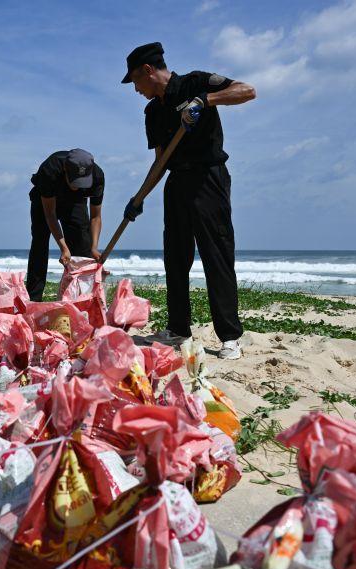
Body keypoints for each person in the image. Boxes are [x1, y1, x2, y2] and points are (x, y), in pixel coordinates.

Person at [121, 42, 255, 359]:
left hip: (209, 178)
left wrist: (205, 100)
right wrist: (139, 197)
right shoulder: (153, 112)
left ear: (148, 70)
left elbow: (247, 91)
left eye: (135, 81)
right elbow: (160, 161)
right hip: (177, 182)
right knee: (175, 258)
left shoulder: (195, 83)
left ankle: (230, 337)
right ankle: (178, 329)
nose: (136, 89)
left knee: (216, 255)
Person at [25, 148, 104, 302]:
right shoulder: (50, 169)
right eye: (74, 181)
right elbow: (50, 215)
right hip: (45, 201)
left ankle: (79, 299)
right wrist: (63, 248)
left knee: (83, 246)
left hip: (75, 202)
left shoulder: (97, 176)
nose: (76, 186)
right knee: (40, 243)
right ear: (65, 169)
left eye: (81, 182)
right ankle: (33, 298)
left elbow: (95, 217)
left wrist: (94, 247)